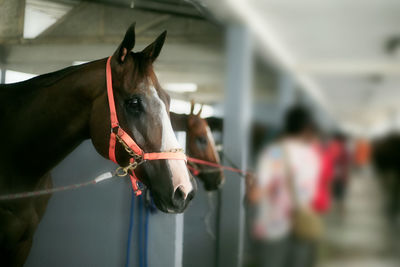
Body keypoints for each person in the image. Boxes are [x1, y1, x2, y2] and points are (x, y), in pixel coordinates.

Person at [246, 105, 321, 267]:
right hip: (301, 227)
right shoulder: (312, 156)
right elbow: (310, 195)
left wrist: (250, 185)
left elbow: (254, 197)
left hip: (273, 230)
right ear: (307, 129)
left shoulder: (274, 153)